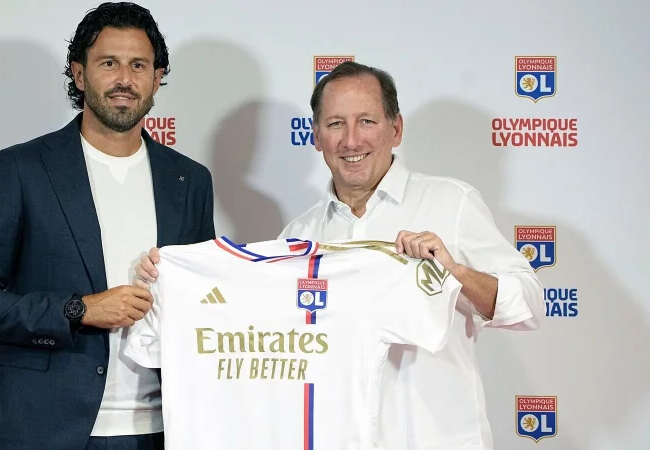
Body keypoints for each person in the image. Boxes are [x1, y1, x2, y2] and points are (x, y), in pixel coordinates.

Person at [135, 61, 543, 449]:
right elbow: (264, 345)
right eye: (335, 124)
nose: (351, 140)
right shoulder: (299, 237)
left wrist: (454, 271)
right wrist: (170, 285)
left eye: (367, 121)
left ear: (395, 129)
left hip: (437, 440)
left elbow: (527, 306)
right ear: (315, 136)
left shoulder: (451, 202)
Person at [0, 3, 215, 449]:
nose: (124, 79)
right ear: (78, 73)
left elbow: (204, 299)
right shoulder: (21, 169)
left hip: (163, 429)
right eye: (109, 63)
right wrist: (80, 309)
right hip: (47, 430)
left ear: (157, 77)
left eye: (139, 65)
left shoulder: (189, 180)